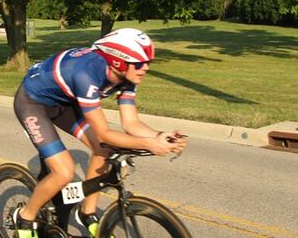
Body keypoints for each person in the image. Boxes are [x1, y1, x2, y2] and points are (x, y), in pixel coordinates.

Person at [12, 28, 187, 238]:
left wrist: (158, 136)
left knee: (104, 150)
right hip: (33, 103)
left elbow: (131, 123)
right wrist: (148, 144)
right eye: (140, 63)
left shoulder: (128, 77)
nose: (145, 68)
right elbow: (103, 133)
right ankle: (25, 217)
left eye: (149, 62)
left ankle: (88, 214)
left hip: (67, 101)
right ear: (118, 62)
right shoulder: (86, 74)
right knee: (64, 172)